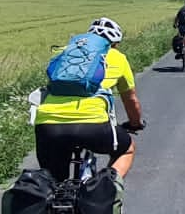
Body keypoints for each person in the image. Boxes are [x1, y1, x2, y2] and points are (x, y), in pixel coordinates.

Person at [29, 17, 145, 181]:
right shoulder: (118, 58)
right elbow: (131, 100)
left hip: (48, 125)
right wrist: (135, 123)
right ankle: (106, 188)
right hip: (94, 126)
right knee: (127, 149)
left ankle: (53, 201)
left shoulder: (66, 52)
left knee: (53, 182)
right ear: (115, 43)